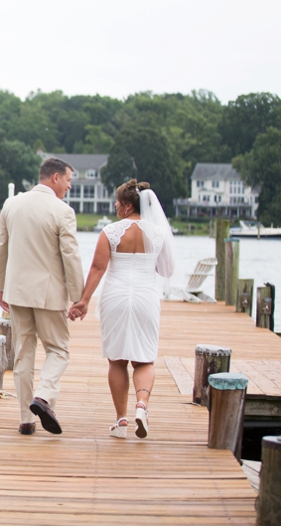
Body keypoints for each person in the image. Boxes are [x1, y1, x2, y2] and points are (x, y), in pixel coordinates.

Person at [68, 179, 176, 439]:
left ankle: (121, 421)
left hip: (115, 297)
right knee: (144, 359)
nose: (115, 205)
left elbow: (97, 268)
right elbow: (167, 270)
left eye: (118, 202)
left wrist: (83, 301)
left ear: (128, 206)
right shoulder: (158, 233)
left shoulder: (111, 231)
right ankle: (142, 405)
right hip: (145, 298)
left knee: (117, 360)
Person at [0, 157, 84, 435]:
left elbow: (1, 248)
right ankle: (43, 397)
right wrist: (78, 296)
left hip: (17, 292)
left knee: (23, 354)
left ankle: (25, 419)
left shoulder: (12, 204)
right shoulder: (63, 211)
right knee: (58, 349)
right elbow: (71, 256)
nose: (69, 186)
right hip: (49, 294)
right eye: (68, 180)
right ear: (55, 177)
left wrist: (1, 287)